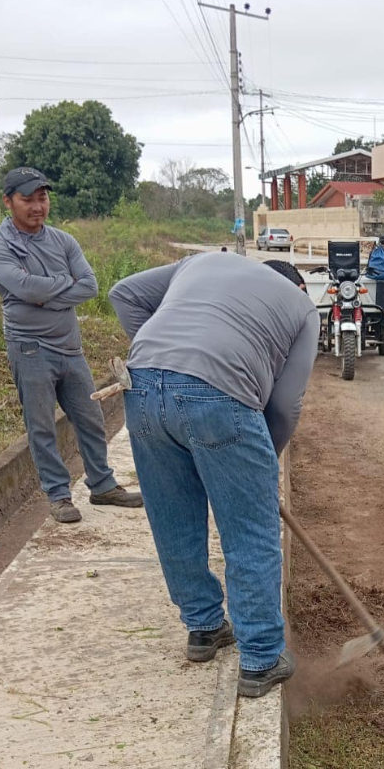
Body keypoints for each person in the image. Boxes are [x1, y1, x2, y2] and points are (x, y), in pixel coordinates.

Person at [108, 252, 318, 697]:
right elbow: (285, 406)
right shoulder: (302, 308)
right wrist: (261, 467)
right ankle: (261, 658)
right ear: (299, 286)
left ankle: (203, 628)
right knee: (249, 531)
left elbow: (122, 294)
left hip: (141, 386)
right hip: (218, 392)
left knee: (173, 518)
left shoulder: (199, 263)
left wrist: (165, 366)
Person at [0, 167, 143, 524]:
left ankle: (102, 485)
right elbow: (24, 289)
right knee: (41, 426)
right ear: (8, 201)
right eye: (28, 199)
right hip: (29, 349)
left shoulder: (63, 240)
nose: (38, 206)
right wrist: (58, 286)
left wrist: (43, 294)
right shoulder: (0, 246)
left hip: (70, 348)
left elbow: (88, 286)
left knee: (90, 418)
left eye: (43, 197)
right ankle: (58, 496)